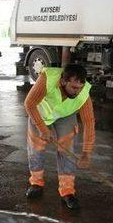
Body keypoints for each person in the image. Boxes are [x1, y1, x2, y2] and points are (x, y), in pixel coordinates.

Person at [24, 64, 95, 210]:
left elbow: (89, 122)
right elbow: (29, 103)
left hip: (65, 115)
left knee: (67, 149)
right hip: (40, 115)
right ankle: (36, 183)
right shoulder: (48, 79)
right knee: (36, 147)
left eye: (80, 88)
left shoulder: (82, 93)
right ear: (63, 82)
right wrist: (43, 129)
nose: (77, 92)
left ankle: (67, 191)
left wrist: (86, 153)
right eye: (74, 88)